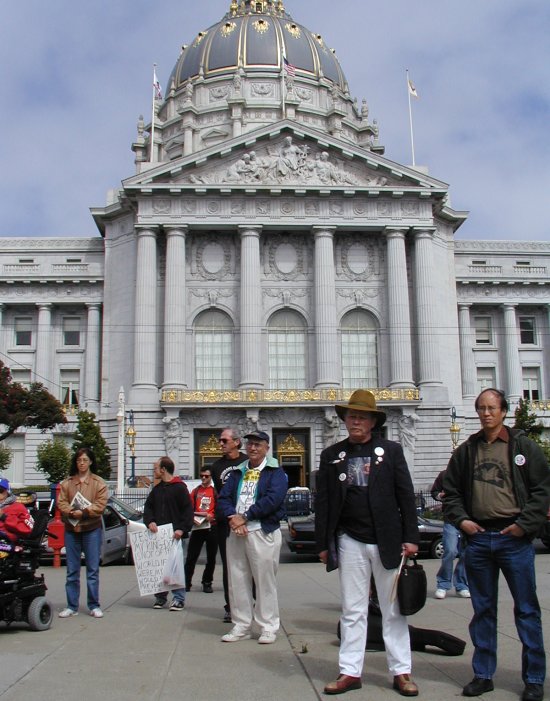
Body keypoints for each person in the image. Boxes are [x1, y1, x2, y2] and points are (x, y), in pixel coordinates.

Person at [444, 388, 550, 701]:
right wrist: (462, 521)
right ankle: (483, 674)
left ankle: (533, 679)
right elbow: (450, 492)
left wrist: (524, 525)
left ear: (504, 411)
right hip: (478, 540)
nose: (486, 413)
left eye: (492, 408)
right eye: (481, 408)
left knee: (527, 610)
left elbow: (542, 490)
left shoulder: (523, 447)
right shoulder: (467, 450)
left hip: (513, 539)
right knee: (483, 610)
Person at [315, 389, 420, 697]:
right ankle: (350, 671)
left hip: (387, 540)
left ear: (373, 421)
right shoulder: (333, 455)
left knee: (393, 610)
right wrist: (323, 543)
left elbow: (405, 495)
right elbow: (324, 502)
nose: (355, 422)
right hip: (350, 540)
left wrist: (411, 537)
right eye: (351, 416)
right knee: (352, 609)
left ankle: (401, 671)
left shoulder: (391, 451)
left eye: (362, 417)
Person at [217, 430, 287, 644]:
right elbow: (223, 498)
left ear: (267, 447)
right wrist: (233, 518)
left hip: (261, 531)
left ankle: (268, 626)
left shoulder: (276, 472)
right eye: (250, 445)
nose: (253, 448)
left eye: (257, 444)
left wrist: (245, 517)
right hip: (237, 531)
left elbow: (272, 500)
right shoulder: (238, 472)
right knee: (237, 579)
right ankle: (241, 624)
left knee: (264, 580)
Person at [57, 448, 108, 619]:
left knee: (92, 570)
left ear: (91, 462)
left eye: (85, 460)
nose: (82, 463)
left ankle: (94, 605)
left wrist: (84, 512)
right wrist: (71, 512)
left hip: (91, 529)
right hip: (72, 529)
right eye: (79, 460)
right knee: (72, 569)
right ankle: (72, 605)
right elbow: (61, 502)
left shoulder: (98, 483)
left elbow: (100, 504)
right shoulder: (67, 483)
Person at [143, 456, 194, 611]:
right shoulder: (157, 489)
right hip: (160, 535)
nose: (154, 471)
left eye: (156, 468)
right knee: (159, 567)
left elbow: (187, 512)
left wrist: (182, 529)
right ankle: (160, 597)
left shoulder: (180, 488)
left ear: (163, 469)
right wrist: (150, 521)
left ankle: (179, 598)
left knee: (176, 567)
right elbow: (148, 508)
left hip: (175, 535)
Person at [211, 427, 247, 622]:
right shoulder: (216, 467)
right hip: (226, 521)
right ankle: (230, 605)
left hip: (246, 518)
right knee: (229, 565)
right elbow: (221, 495)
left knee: (250, 563)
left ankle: (251, 602)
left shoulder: (247, 462)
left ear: (236, 442)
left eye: (225, 440)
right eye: (220, 440)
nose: (221, 444)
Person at [430, 470, 470, 599]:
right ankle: (443, 584)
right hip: (451, 518)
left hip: (469, 519)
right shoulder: (445, 474)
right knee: (450, 551)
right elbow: (434, 492)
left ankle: (461, 585)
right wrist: (441, 496)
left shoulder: (471, 474)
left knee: (466, 553)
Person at [184, 467, 218, 593]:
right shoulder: (196, 491)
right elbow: (188, 507)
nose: (203, 478)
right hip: (198, 527)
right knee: (191, 556)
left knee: (211, 557)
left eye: (206, 476)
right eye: (202, 475)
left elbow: (219, 508)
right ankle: (186, 582)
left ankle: (207, 582)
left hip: (211, 527)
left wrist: (212, 516)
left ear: (210, 478)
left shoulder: (214, 491)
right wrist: (192, 517)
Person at [0, 477, 34, 542]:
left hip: (7, 544)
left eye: (0, 491)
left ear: (8, 492)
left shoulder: (18, 507)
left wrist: (4, 517)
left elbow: (27, 529)